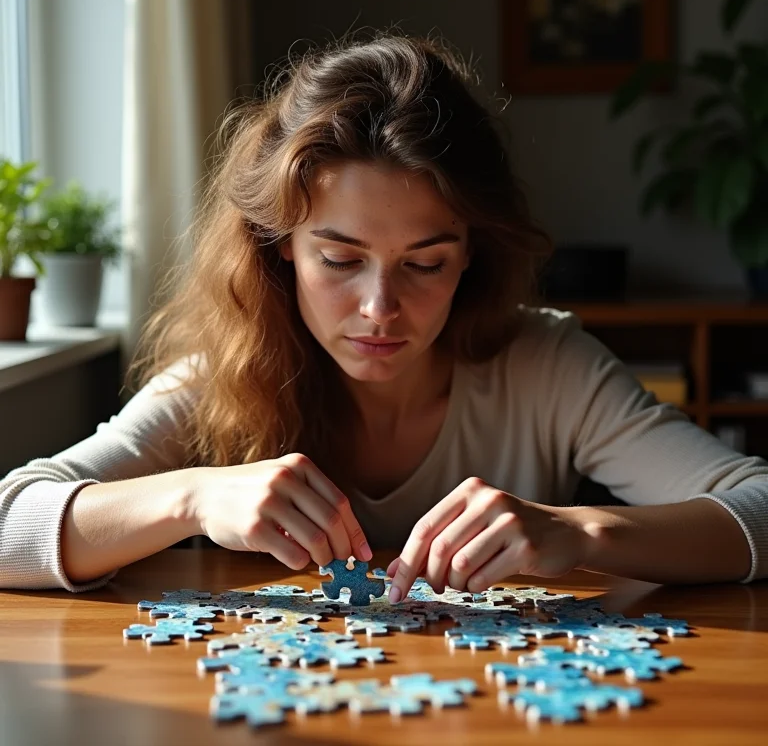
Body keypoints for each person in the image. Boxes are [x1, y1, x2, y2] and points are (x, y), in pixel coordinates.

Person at [1, 33, 765, 601]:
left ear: (473, 255)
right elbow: (9, 526)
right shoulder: (222, 378)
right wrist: (195, 495)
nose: (379, 308)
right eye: (338, 260)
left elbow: (757, 502)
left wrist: (578, 530)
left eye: (425, 263)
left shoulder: (547, 364)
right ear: (279, 252)